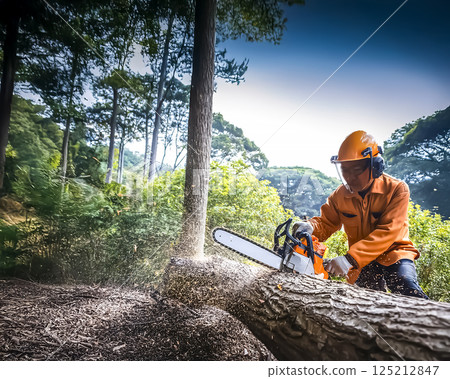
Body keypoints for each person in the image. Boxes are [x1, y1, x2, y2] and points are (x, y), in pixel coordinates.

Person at [294, 130, 428, 299]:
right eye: (345, 170)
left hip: (395, 253)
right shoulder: (339, 196)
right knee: (360, 299)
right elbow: (327, 223)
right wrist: (311, 227)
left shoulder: (396, 189)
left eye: (356, 170)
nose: (350, 177)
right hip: (362, 262)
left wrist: (349, 259)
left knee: (406, 285)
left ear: (375, 166)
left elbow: (389, 231)